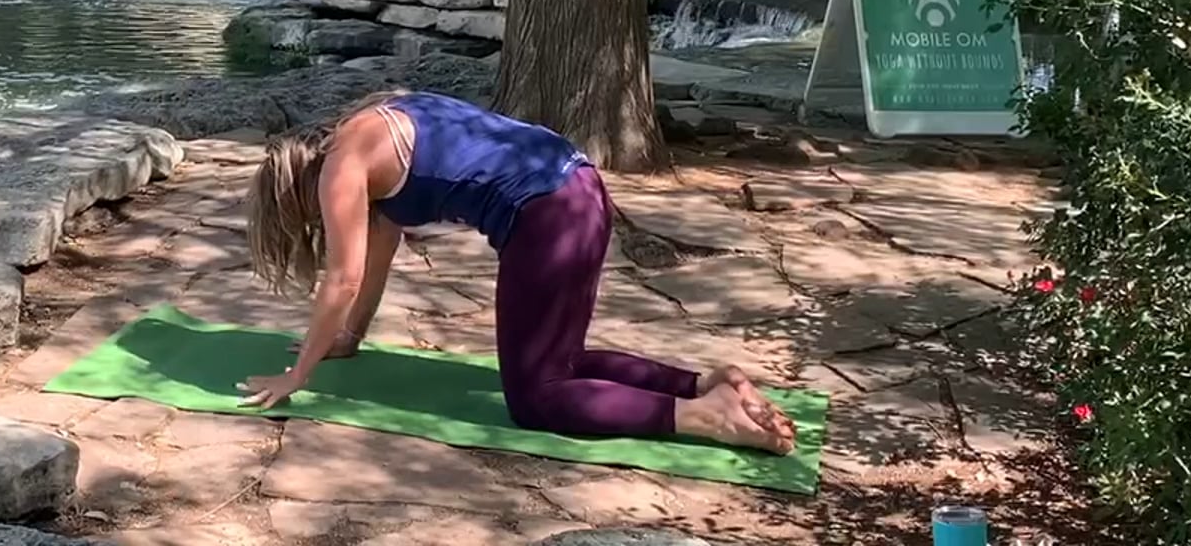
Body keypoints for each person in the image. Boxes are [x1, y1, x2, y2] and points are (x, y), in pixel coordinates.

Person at [239, 90, 797, 455]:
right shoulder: (374, 121)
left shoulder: (342, 167)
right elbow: (375, 263)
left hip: (548, 214)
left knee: (537, 399)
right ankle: (705, 384)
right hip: (580, 188)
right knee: (564, 362)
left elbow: (344, 278)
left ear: (296, 189)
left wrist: (298, 377)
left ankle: (707, 416)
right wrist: (346, 340)